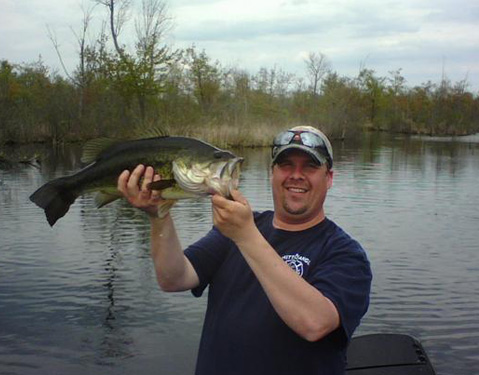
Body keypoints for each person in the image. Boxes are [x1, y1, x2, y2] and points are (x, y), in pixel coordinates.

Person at [117, 126, 372, 375]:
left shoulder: (345, 253)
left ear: (329, 178)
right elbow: (173, 278)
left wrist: (246, 235)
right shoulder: (236, 230)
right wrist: (158, 215)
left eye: (310, 166)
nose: (296, 175)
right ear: (271, 174)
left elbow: (315, 323)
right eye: (286, 165)